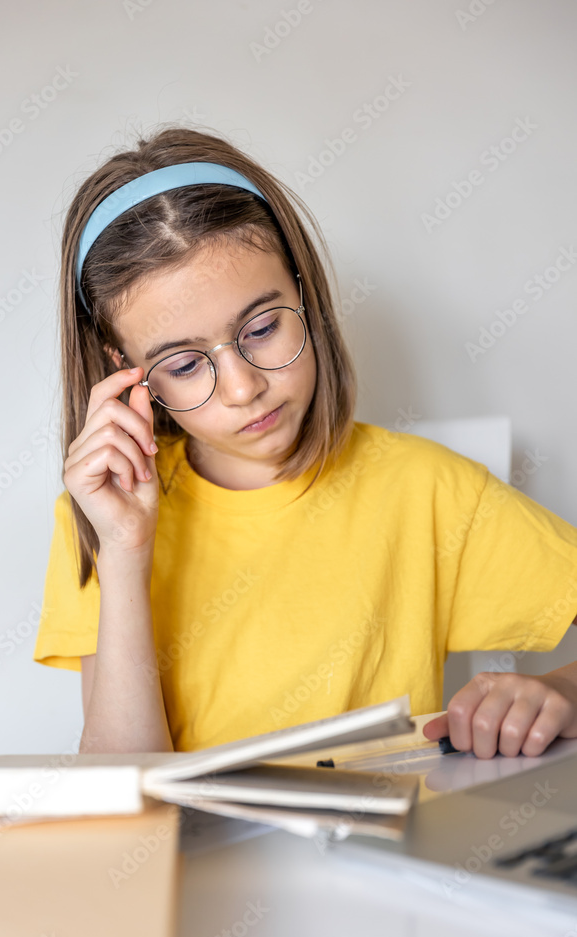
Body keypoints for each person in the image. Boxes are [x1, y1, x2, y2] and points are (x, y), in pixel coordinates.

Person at [32, 124, 577, 759]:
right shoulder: (105, 517)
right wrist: (126, 554)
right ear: (124, 369)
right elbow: (121, 784)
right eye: (183, 366)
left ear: (303, 289)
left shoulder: (426, 490)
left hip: (374, 857)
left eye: (262, 328)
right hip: (191, 860)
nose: (243, 388)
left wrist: (563, 689)